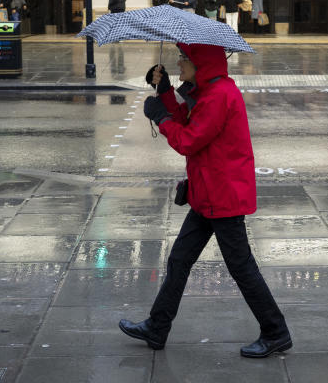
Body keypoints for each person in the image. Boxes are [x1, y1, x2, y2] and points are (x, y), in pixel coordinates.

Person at [122, 44, 291, 358]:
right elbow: (186, 117)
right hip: (207, 194)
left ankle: (276, 331)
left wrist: (161, 118)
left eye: (184, 58)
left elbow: (189, 139)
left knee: (241, 267)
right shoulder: (210, 89)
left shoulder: (218, 96)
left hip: (222, 197)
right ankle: (157, 328)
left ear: (201, 63)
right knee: (179, 261)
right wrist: (165, 91)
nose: (179, 62)